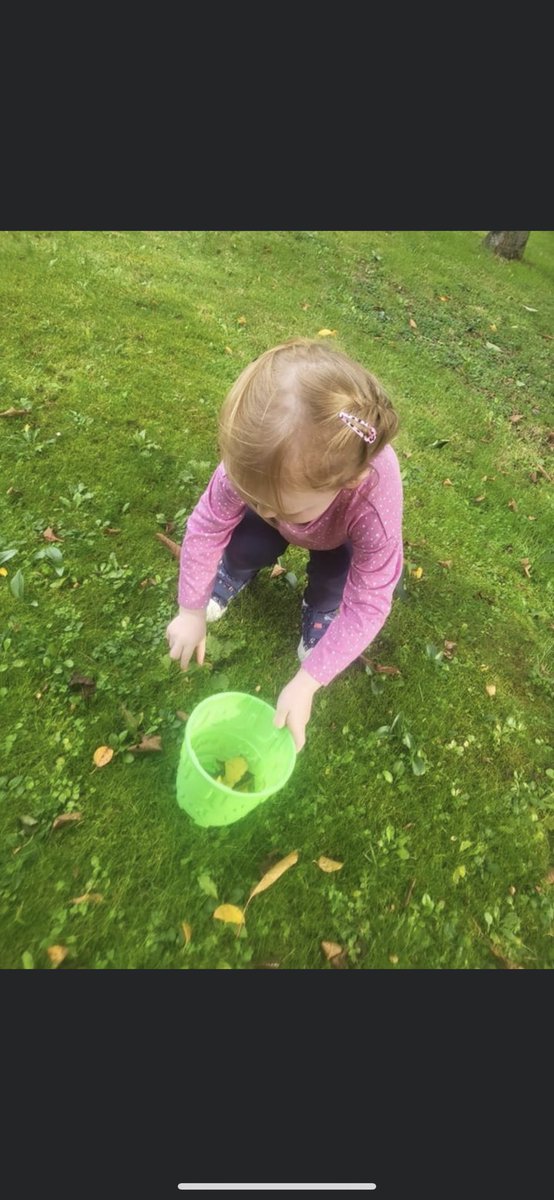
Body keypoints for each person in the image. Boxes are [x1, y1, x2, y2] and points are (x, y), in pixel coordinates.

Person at [166, 337, 404, 751]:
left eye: (277, 505)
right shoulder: (256, 460)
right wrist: (190, 608)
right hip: (294, 504)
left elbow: (370, 597)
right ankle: (232, 572)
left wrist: (310, 679)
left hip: (341, 535)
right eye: (249, 492)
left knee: (335, 574)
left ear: (348, 482)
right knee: (247, 537)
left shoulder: (372, 505)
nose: (257, 504)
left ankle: (322, 610)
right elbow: (209, 526)